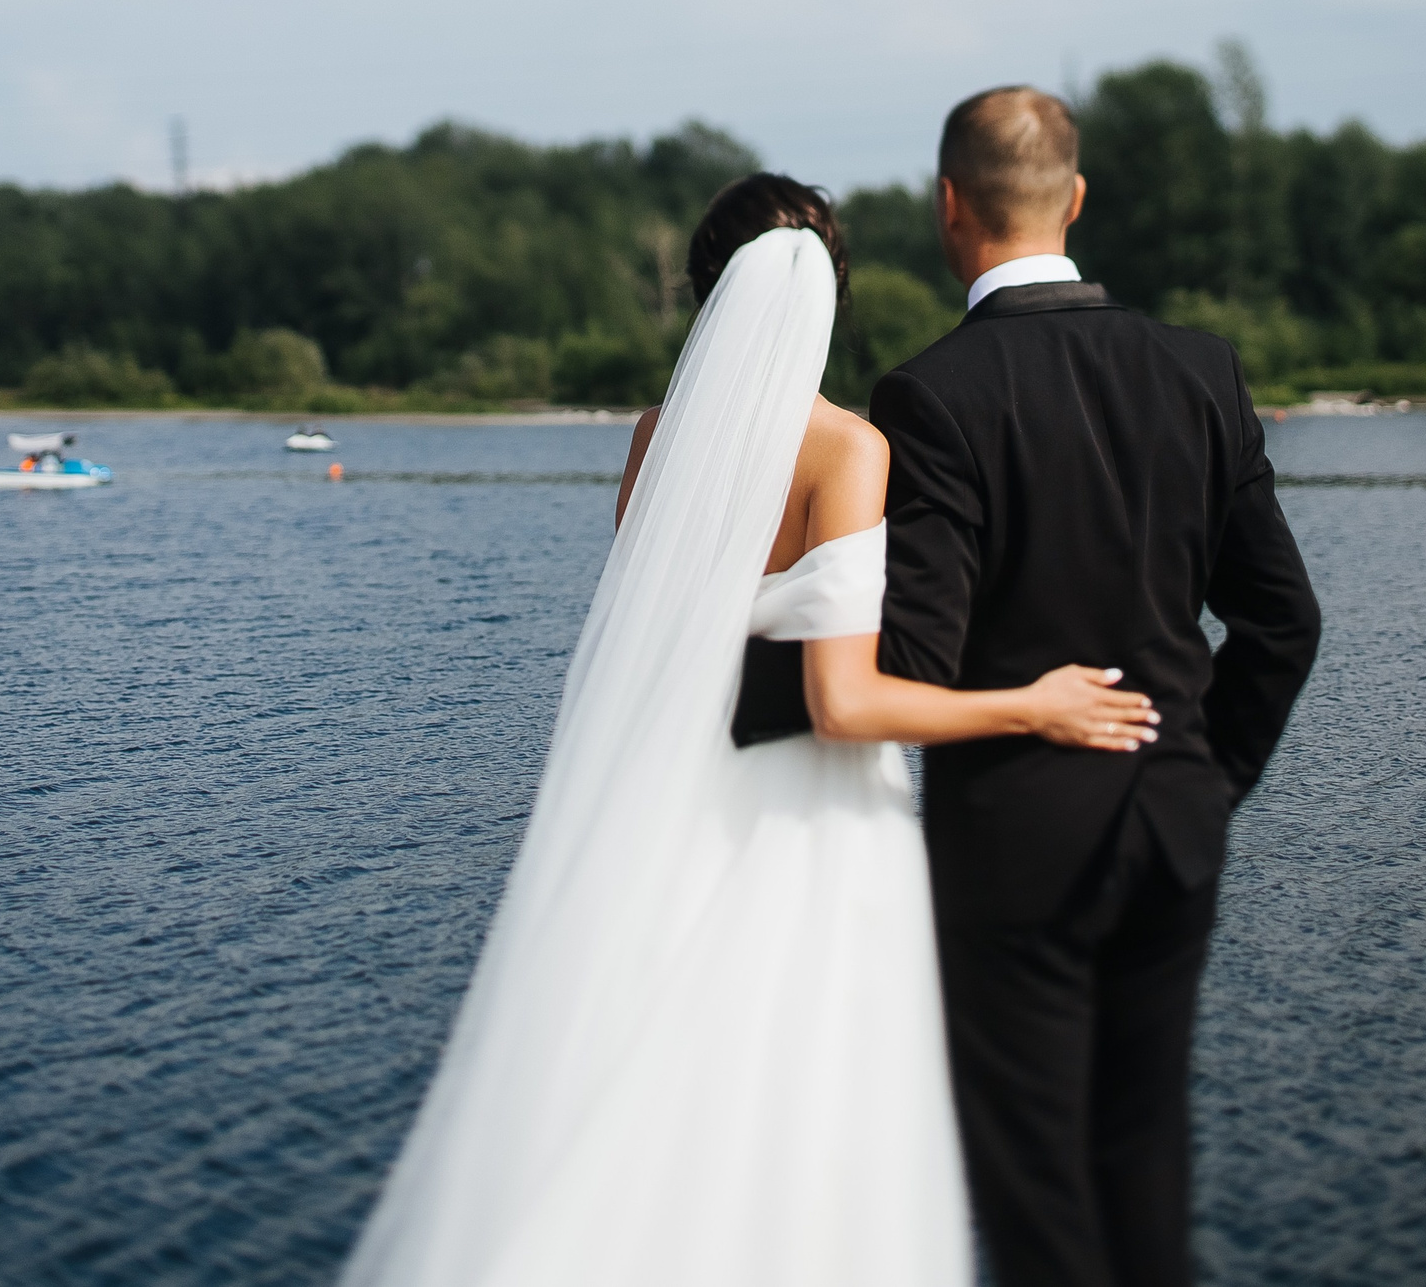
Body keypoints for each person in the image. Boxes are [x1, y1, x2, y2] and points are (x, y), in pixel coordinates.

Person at [339, 174, 1157, 1287]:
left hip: (659, 820)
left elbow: (662, 648)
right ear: (829, 299)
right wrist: (1033, 703)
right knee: (795, 1140)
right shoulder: (848, 452)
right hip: (802, 839)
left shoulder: (652, 441)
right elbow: (844, 704)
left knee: (645, 1122)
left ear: (705, 296)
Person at [872, 87, 1323, 1286]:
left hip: (1014, 843)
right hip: (1171, 822)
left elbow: (912, 663)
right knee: (1143, 1156)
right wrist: (1202, 777)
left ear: (947, 206)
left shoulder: (930, 398)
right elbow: (1282, 622)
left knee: (1034, 1191)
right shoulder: (1200, 371)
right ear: (1075, 199)